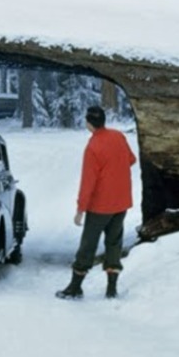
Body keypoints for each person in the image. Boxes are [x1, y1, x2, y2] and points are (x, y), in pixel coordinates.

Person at [56, 105, 137, 300]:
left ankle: (75, 287)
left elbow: (88, 182)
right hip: (121, 202)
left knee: (88, 245)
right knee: (114, 243)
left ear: (89, 123)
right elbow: (131, 160)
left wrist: (80, 209)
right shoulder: (119, 137)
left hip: (100, 206)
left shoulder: (93, 147)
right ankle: (111, 289)